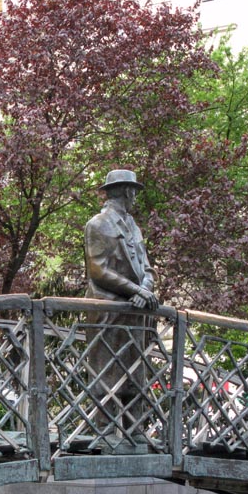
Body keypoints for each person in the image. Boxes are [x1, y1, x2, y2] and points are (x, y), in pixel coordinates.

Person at [84, 169, 159, 449]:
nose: (136, 198)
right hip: (108, 309)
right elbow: (98, 270)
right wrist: (136, 290)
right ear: (127, 192)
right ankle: (104, 432)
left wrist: (146, 289)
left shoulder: (134, 227)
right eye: (134, 192)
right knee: (106, 370)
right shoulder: (97, 225)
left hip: (136, 311)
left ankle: (135, 429)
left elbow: (147, 268)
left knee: (136, 372)